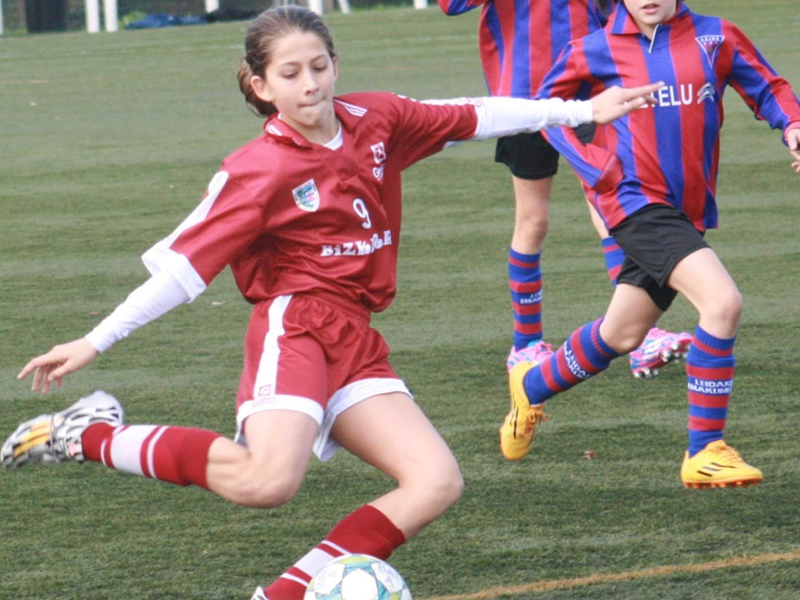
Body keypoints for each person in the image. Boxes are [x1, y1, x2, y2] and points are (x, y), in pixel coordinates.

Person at [1, 6, 663, 600]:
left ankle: (284, 596)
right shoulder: (256, 171)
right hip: (296, 326)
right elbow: (181, 271)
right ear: (261, 86)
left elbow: (475, 114)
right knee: (267, 482)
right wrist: (95, 341)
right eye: (290, 74)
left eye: (319, 66)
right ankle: (86, 433)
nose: (310, 84)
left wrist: (581, 112)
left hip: (355, 335)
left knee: (435, 481)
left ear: (336, 65)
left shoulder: (376, 120)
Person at [500, 0, 800, 489]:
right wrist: (597, 168)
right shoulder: (593, 49)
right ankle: (705, 450)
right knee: (722, 303)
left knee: (622, 334)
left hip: (686, 210)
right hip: (633, 201)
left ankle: (530, 385)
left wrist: (792, 124)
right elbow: (546, 112)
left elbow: (769, 88)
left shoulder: (716, 36)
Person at [436, 0, 692, 378]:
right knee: (533, 220)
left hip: (590, 97)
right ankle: (525, 345)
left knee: (611, 207)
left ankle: (641, 335)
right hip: (522, 101)